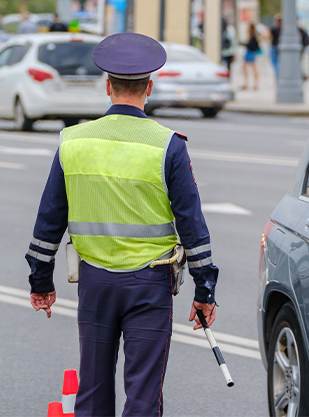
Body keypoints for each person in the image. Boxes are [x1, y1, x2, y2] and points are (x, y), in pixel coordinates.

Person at [25, 32, 219, 416]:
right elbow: (192, 225)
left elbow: (49, 219)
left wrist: (40, 282)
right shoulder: (168, 146)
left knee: (93, 391)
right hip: (150, 285)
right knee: (144, 396)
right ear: (149, 87)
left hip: (95, 282)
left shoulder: (73, 142)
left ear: (107, 86)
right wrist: (205, 289)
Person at [241, 22, 260, 90]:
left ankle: (254, 83)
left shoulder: (253, 36)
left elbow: (253, 45)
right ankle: (246, 83)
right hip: (249, 52)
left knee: (253, 68)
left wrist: (245, 44)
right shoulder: (251, 35)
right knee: (245, 67)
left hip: (251, 52)